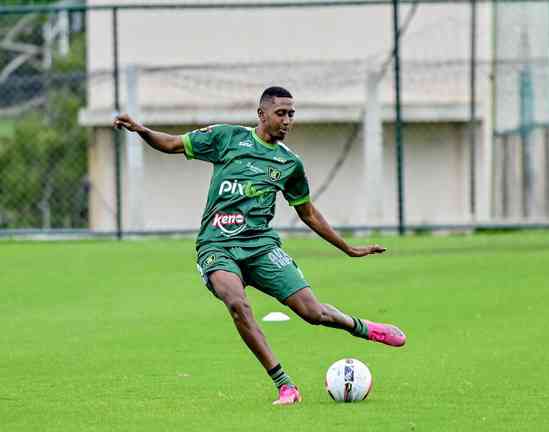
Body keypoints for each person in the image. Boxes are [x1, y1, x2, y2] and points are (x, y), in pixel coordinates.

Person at [113, 86, 406, 406]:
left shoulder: (289, 163)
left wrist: (346, 248)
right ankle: (285, 385)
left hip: (261, 246)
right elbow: (172, 144)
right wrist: (141, 130)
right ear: (262, 114)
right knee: (237, 303)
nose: (287, 120)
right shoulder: (226, 138)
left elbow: (307, 213)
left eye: (292, 114)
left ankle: (361, 328)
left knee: (312, 312)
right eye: (281, 113)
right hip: (217, 245)